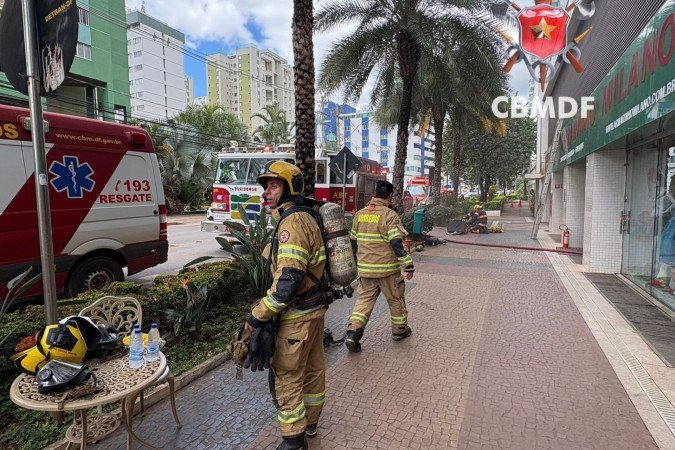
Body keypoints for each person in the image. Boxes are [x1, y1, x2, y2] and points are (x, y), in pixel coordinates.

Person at [243, 160, 327, 450]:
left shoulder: (292, 223)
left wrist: (257, 315)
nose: (266, 192)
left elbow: (288, 282)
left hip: (296, 316)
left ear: (291, 188)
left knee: (288, 376)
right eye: (266, 187)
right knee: (313, 370)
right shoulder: (306, 216)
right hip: (314, 310)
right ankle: (311, 422)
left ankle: (293, 438)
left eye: (274, 186)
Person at [345, 180, 414, 352]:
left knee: (364, 301)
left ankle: (353, 333)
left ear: (374, 194)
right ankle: (399, 331)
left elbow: (353, 241)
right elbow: (396, 243)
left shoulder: (359, 214)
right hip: (387, 270)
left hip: (366, 270)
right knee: (395, 300)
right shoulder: (389, 215)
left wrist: (358, 260)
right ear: (390, 195)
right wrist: (408, 265)